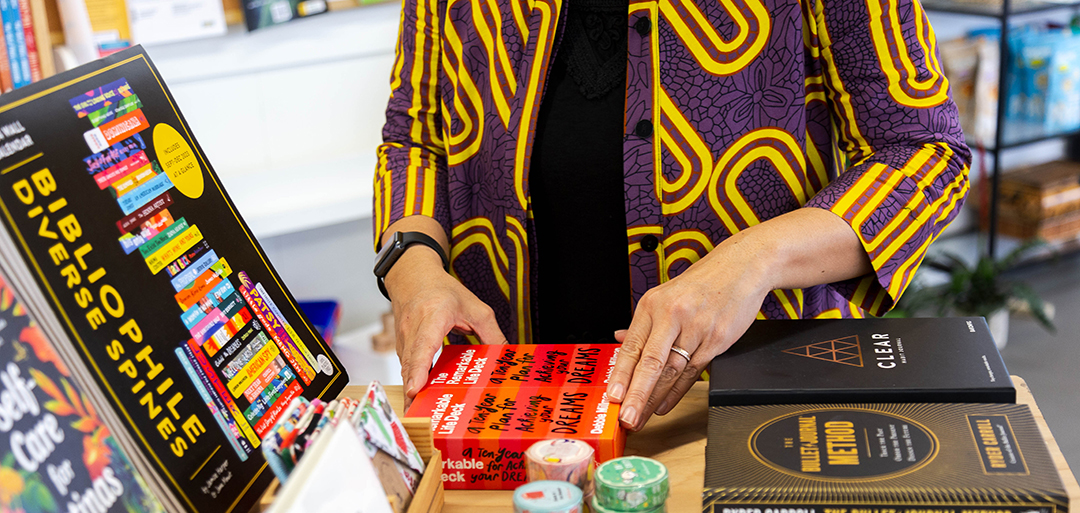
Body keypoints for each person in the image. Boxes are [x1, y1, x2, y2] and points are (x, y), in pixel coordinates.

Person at [372, 0, 970, 431]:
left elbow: (924, 154)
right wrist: (411, 265)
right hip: (512, 406)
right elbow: (414, 135)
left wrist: (753, 261)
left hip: (742, 405)